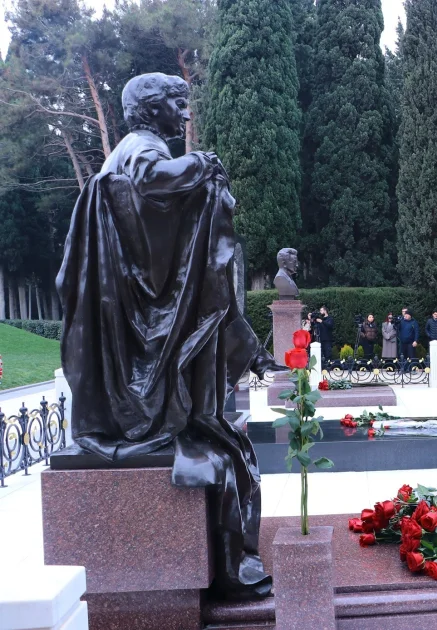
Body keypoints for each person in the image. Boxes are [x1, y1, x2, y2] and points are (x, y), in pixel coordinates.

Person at [55, 73, 275, 598]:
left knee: (221, 443)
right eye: (179, 104)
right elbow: (156, 183)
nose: (187, 114)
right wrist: (203, 165)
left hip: (135, 322)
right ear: (152, 110)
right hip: (136, 335)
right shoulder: (139, 149)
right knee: (217, 447)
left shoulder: (137, 147)